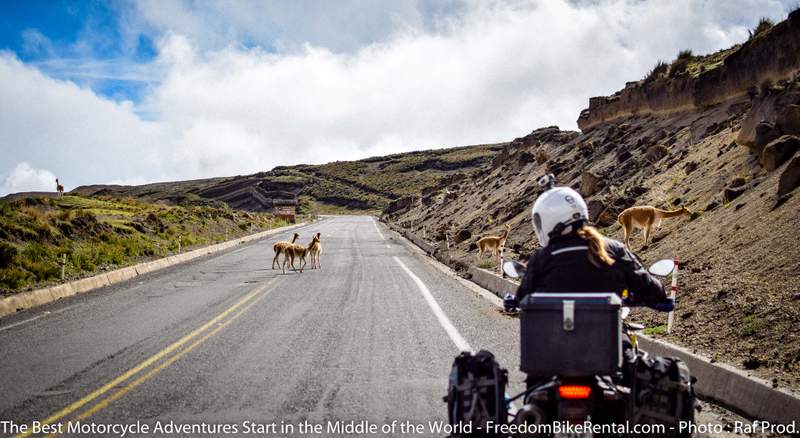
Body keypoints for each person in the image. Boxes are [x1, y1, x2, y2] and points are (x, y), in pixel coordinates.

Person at [503, 180, 673, 311]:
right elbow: (647, 285)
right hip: (606, 346)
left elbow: (523, 296)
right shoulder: (614, 249)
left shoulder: (542, 258)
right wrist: (661, 297)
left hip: (555, 347)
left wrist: (514, 300)